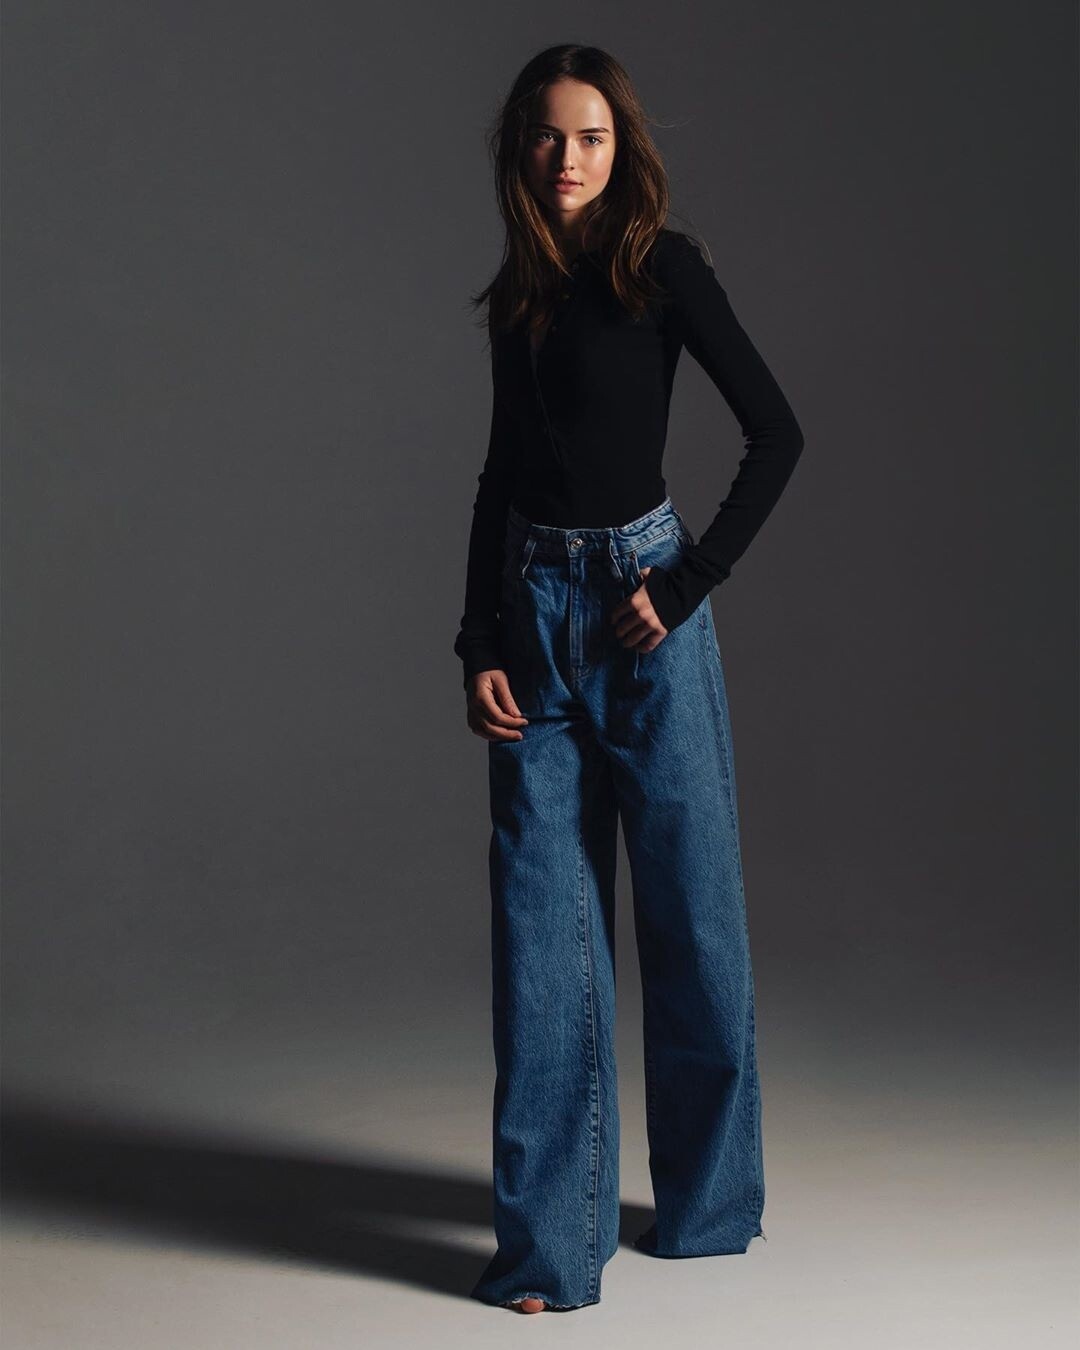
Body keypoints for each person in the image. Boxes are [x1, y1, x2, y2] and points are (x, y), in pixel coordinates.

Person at [453, 44, 805, 1314]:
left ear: (623, 149)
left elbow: (778, 432)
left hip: (644, 616)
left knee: (692, 915)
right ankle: (551, 1250)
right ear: (520, 148)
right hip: (535, 617)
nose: (569, 159)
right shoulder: (521, 295)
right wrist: (478, 639)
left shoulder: (664, 268)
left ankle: (709, 1207)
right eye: (549, 137)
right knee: (542, 946)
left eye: (592, 137)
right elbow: (502, 476)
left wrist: (689, 581)